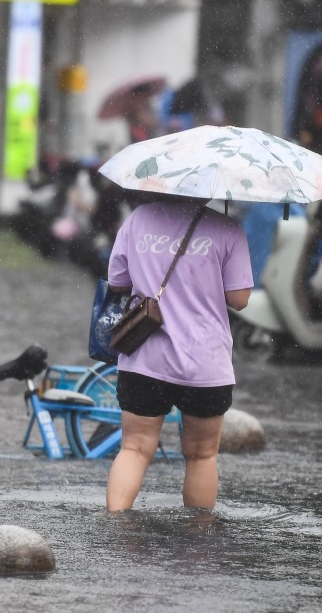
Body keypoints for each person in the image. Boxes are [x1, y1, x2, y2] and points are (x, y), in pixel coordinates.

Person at [105, 196, 253, 512]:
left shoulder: (139, 218)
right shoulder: (228, 229)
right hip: (204, 364)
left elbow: (117, 281)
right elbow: (239, 299)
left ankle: (115, 524)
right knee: (201, 455)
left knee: (133, 449)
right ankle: (197, 537)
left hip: (144, 358)